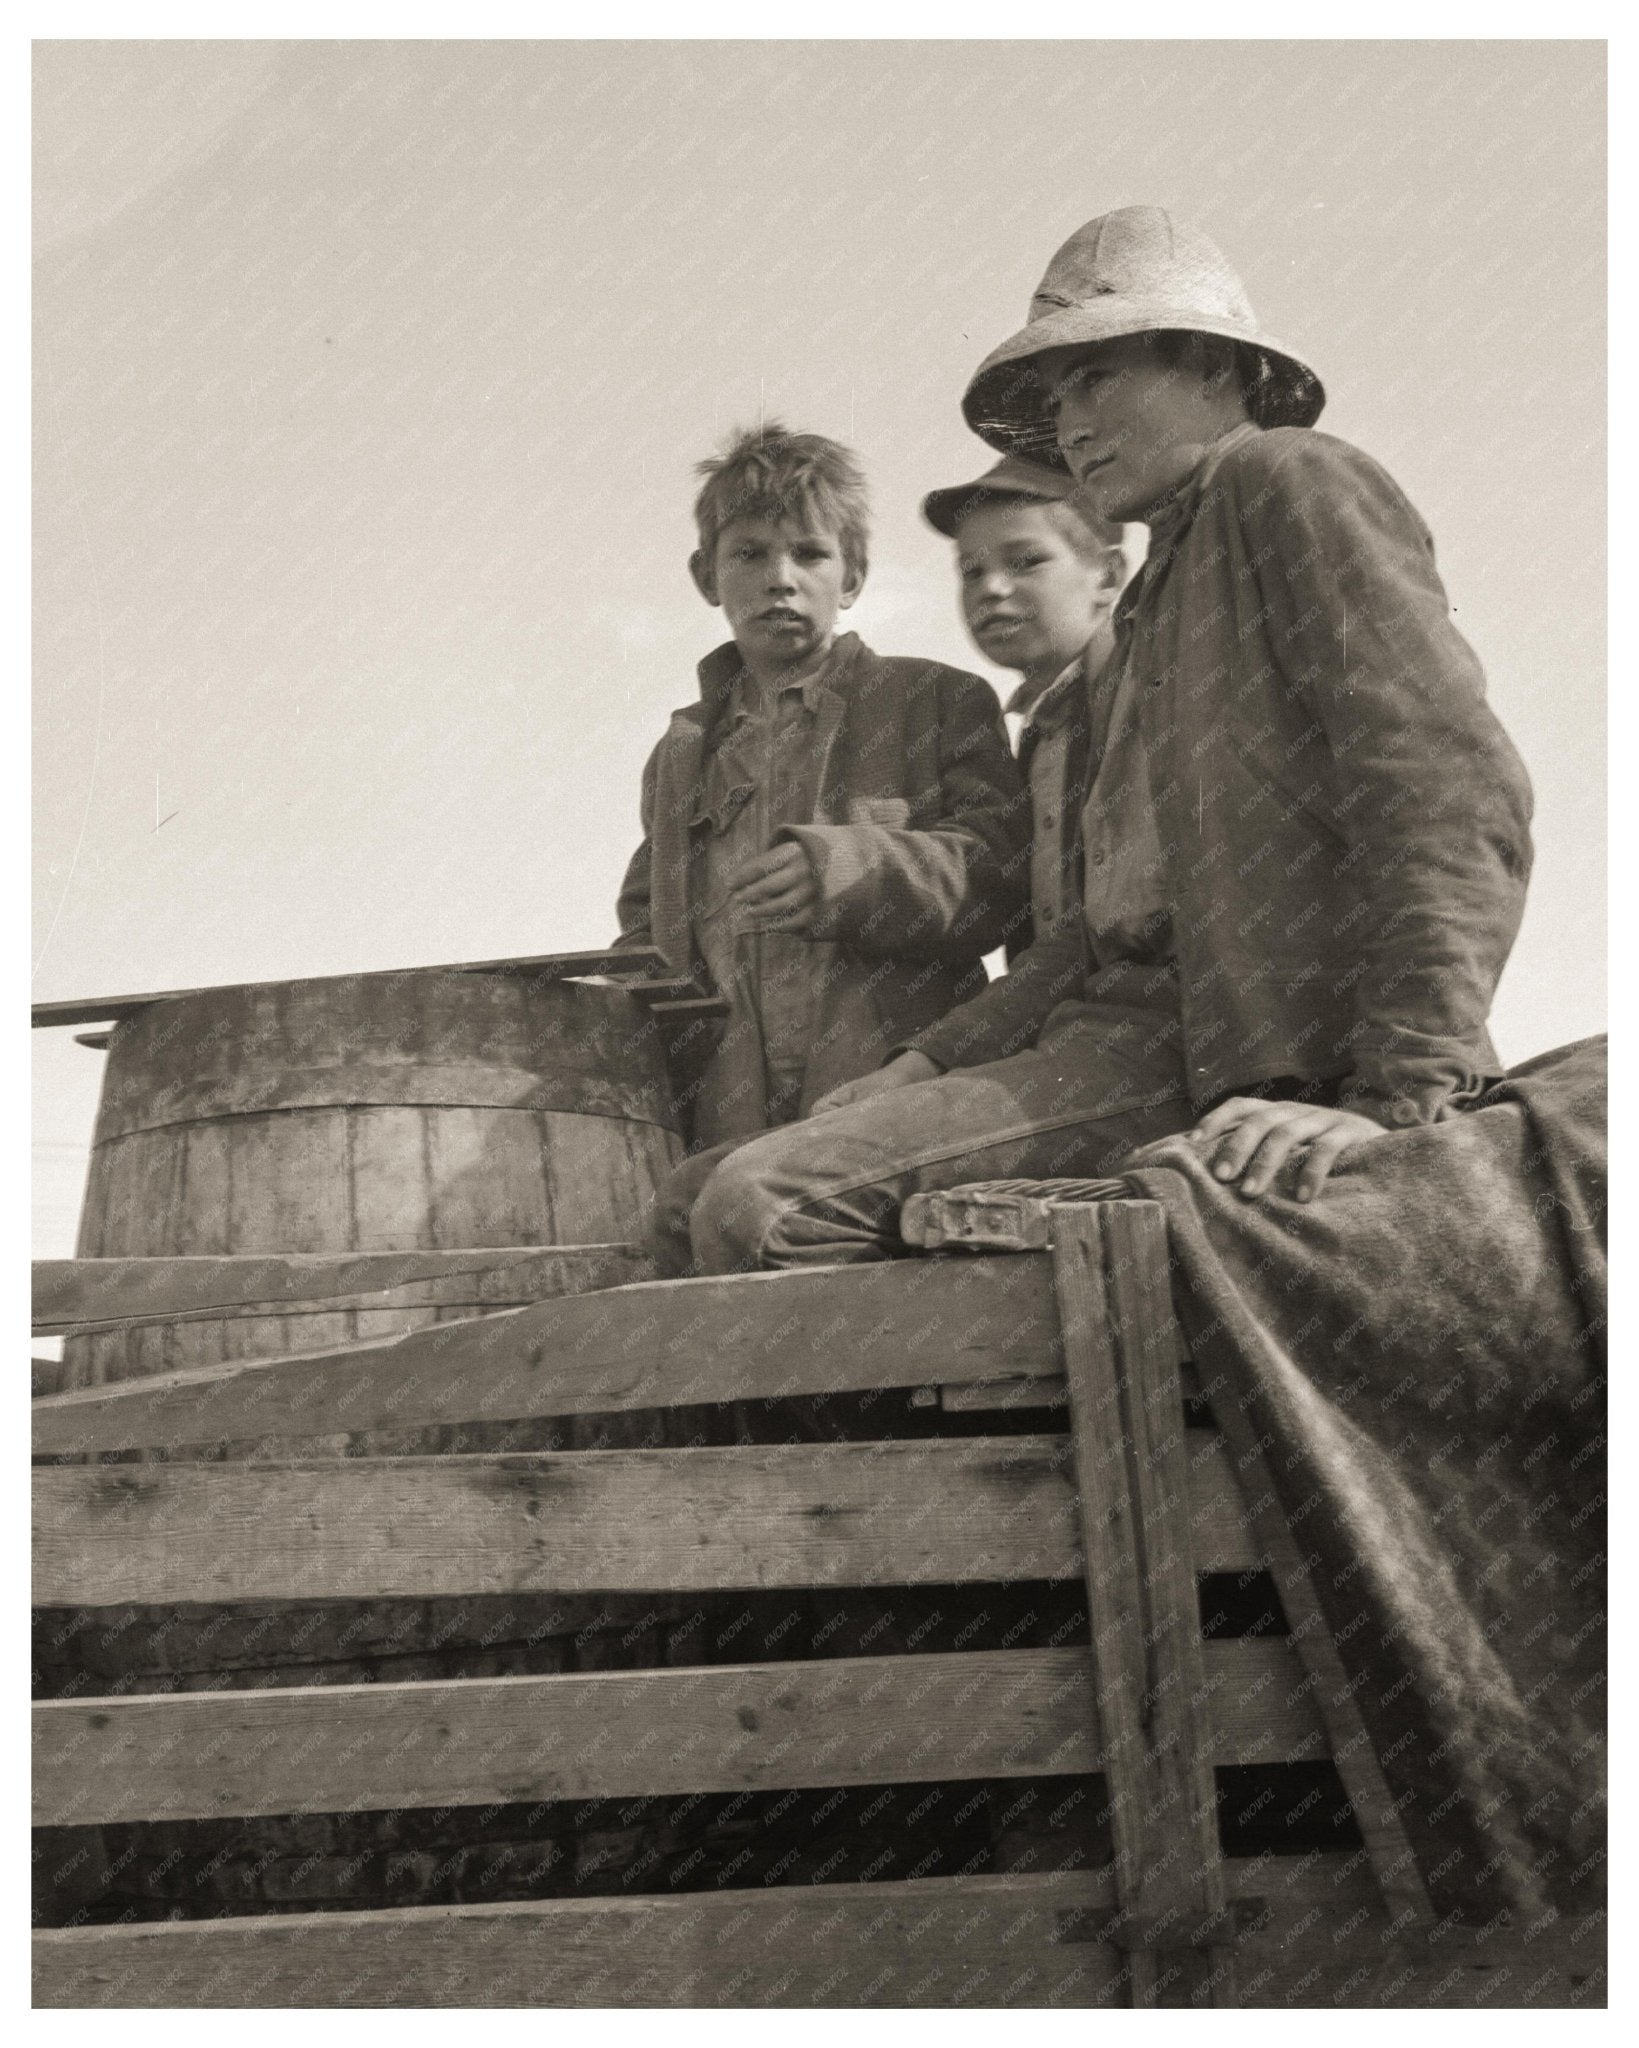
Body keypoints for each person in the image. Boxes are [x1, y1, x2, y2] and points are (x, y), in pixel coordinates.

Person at [681, 206, 1535, 1273]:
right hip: (1113, 1035)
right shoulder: (1141, 618)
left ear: (1215, 367)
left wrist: (1396, 1100)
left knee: (763, 1205)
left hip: (1213, 1046)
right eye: (1054, 396)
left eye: (1096, 378)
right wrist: (920, 1064)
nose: (1070, 422)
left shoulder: (1285, 481)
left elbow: (1448, 788)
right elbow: (1092, 934)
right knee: (686, 1198)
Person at [614, 422, 1027, 1273]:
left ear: (855, 576)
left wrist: (851, 872)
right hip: (725, 1118)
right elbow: (643, 934)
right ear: (705, 577)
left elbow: (1004, 879)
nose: (780, 580)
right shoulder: (680, 755)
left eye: (809, 553)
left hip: (893, 1104)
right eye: (750, 555)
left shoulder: (932, 702)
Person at [922, 454, 1126, 950]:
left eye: (1027, 561)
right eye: (971, 571)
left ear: (1107, 577)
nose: (991, 588)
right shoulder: (1040, 730)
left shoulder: (1140, 702)